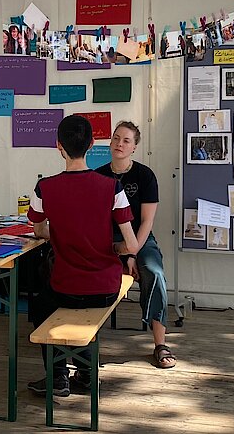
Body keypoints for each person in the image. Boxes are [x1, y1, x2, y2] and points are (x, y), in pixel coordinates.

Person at [27, 115, 140, 397]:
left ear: (58, 146)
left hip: (66, 286)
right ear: (92, 144)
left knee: (41, 305)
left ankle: (58, 377)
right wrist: (112, 248)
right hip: (105, 287)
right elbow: (133, 245)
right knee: (82, 310)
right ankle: (87, 375)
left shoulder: (45, 188)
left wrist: (60, 235)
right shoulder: (112, 187)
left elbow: (39, 230)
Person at [95, 122, 177, 369]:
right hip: (106, 241)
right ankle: (82, 342)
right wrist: (117, 251)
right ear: (110, 142)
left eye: (126, 140)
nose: (120, 144)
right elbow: (96, 220)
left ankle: (160, 343)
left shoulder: (145, 175)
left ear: (134, 147)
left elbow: (148, 220)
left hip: (141, 239)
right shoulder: (98, 175)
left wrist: (132, 252)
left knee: (155, 273)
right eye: (116, 138)